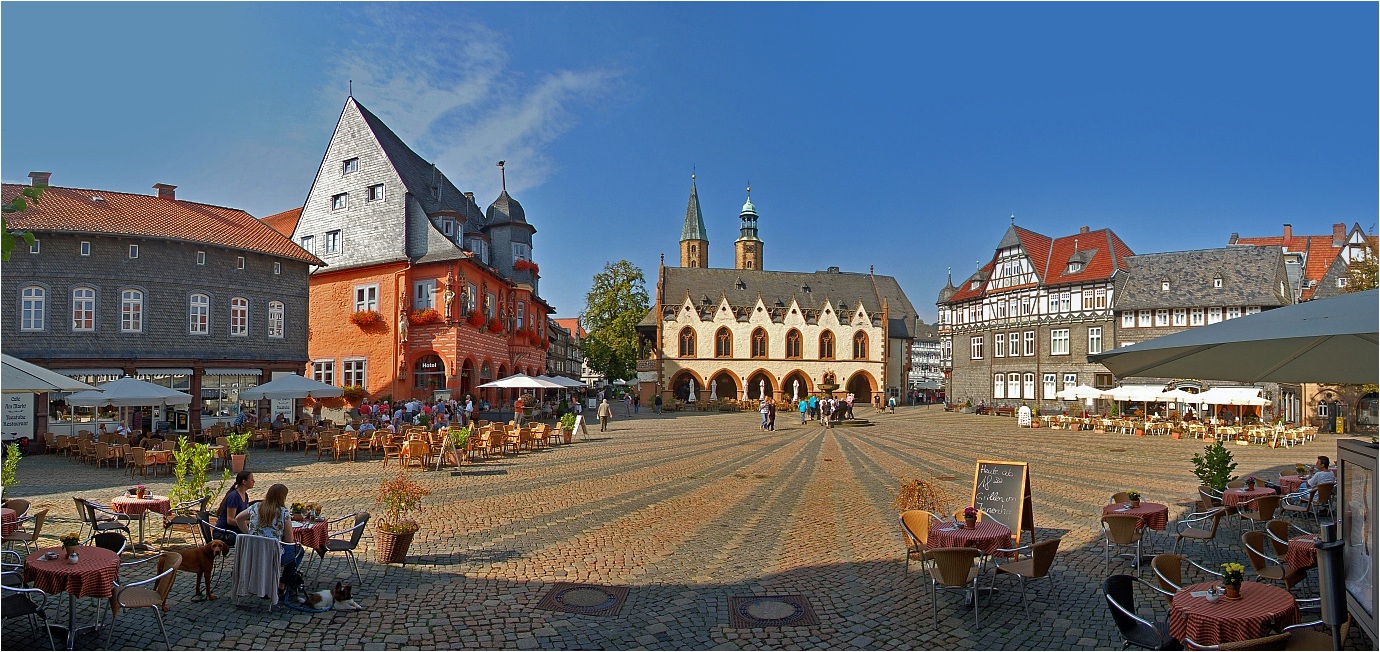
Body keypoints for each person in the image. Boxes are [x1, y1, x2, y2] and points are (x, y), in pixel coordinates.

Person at [235, 483, 305, 572]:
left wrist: (248, 533)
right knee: (297, 550)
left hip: (253, 550)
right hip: (272, 552)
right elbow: (289, 540)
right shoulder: (283, 512)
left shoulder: (256, 506)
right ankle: (283, 582)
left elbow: (238, 519)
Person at [214, 471, 254, 545]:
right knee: (251, 540)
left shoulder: (245, 495)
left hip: (235, 530)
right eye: (252, 480)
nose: (254, 481)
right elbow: (230, 520)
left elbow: (246, 515)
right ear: (244, 482)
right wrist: (249, 523)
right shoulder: (234, 497)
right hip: (225, 533)